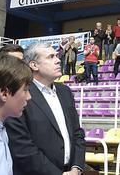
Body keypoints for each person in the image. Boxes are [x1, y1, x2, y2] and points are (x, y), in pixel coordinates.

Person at [5, 42, 85, 175]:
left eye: (57, 56)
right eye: (51, 57)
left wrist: (76, 168)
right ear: (34, 65)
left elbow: (77, 133)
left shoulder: (65, 92)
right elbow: (22, 146)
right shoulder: (20, 93)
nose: (58, 60)